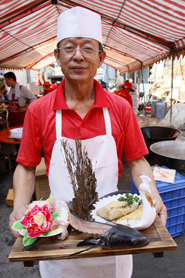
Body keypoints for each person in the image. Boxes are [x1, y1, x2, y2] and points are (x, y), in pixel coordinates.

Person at [9, 6, 167, 278]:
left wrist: (153, 197)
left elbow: (137, 160)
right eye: (69, 48)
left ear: (101, 57)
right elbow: (25, 166)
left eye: (88, 48)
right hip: (59, 235)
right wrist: (21, 206)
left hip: (115, 230)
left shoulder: (120, 108)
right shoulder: (39, 110)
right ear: (57, 57)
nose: (78, 56)